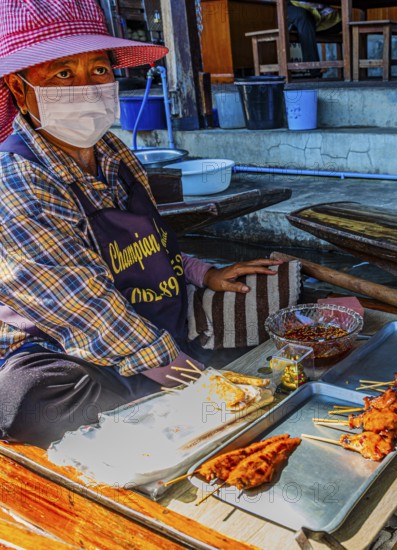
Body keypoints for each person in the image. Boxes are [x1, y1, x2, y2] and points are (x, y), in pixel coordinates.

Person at [0, 0, 283, 448]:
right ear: (18, 89)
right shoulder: (16, 179)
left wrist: (203, 273)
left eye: (98, 70)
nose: (87, 88)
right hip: (67, 345)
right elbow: (83, 308)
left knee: (278, 294)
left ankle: (158, 382)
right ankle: (169, 377)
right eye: (62, 74)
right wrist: (195, 380)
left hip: (148, 313)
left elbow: (151, 245)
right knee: (27, 402)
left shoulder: (115, 152)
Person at [287, 1, 342, 77]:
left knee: (342, 19)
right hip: (291, 6)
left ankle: (352, 68)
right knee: (303, 15)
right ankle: (313, 68)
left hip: (315, 7)